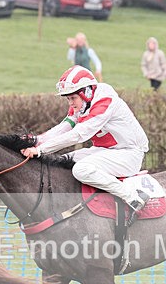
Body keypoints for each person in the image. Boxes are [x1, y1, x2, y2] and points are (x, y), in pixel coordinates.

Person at [21, 65, 151, 213]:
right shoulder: (82, 103)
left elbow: (77, 135)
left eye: (73, 98)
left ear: (87, 92)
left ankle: (133, 197)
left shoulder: (105, 101)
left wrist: (39, 150)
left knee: (81, 170)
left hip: (129, 154)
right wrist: (36, 140)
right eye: (68, 98)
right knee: (62, 161)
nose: (70, 103)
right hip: (105, 151)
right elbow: (65, 127)